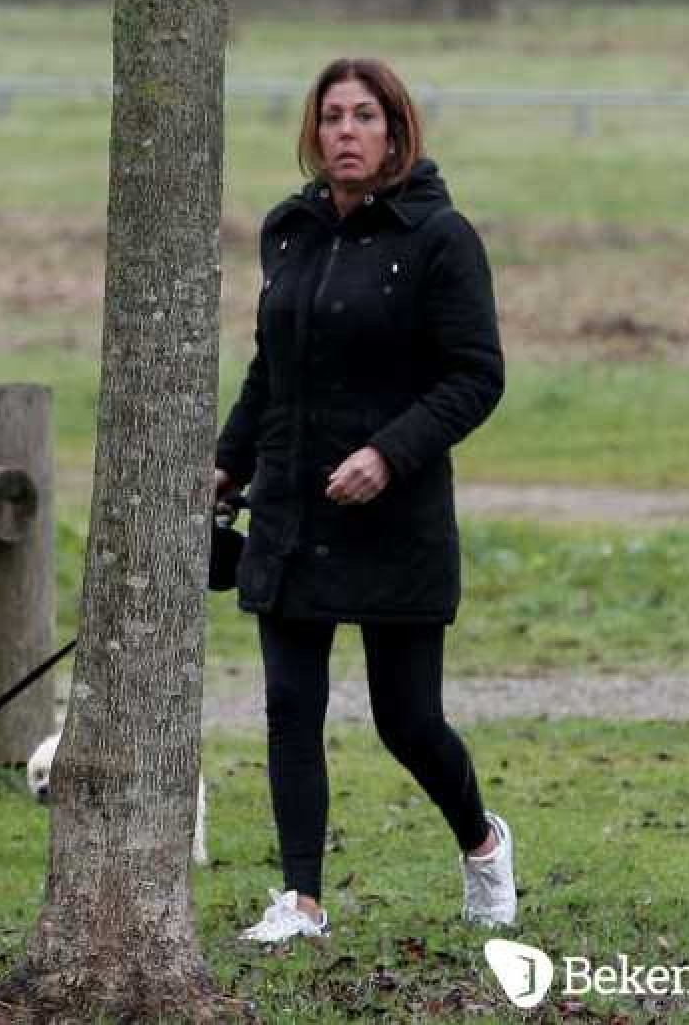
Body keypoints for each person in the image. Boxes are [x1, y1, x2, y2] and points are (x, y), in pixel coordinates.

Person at [214, 57, 514, 945]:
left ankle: (484, 841)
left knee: (408, 720)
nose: (346, 131)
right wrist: (228, 464)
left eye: (365, 116)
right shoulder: (290, 230)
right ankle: (301, 900)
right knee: (289, 705)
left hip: (395, 518)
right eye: (333, 116)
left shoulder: (440, 237)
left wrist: (389, 454)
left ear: (397, 131)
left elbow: (477, 376)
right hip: (292, 510)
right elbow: (273, 366)